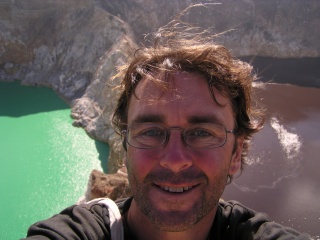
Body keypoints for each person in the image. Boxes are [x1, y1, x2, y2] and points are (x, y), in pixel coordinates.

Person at [23, 22, 310, 240]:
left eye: (201, 133)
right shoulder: (83, 231)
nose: (174, 159)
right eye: (150, 131)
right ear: (125, 149)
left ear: (236, 152)